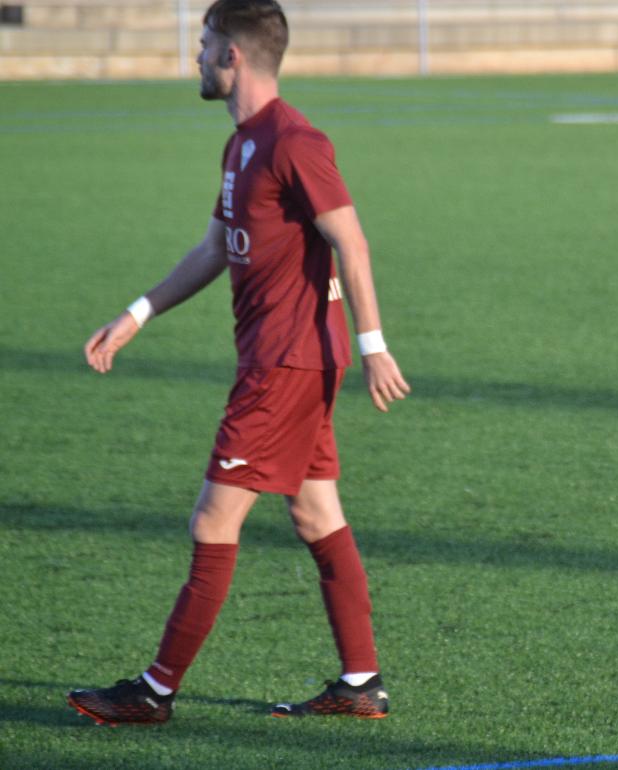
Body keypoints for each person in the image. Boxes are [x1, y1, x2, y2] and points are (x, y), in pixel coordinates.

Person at [67, 0, 411, 725]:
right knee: (316, 512)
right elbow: (216, 249)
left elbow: (352, 240)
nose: (195, 57)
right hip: (284, 361)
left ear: (235, 57)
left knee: (212, 521)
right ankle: (360, 682)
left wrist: (376, 345)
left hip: (284, 365)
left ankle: (155, 691)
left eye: (204, 44)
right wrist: (136, 315)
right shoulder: (241, 145)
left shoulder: (294, 141)